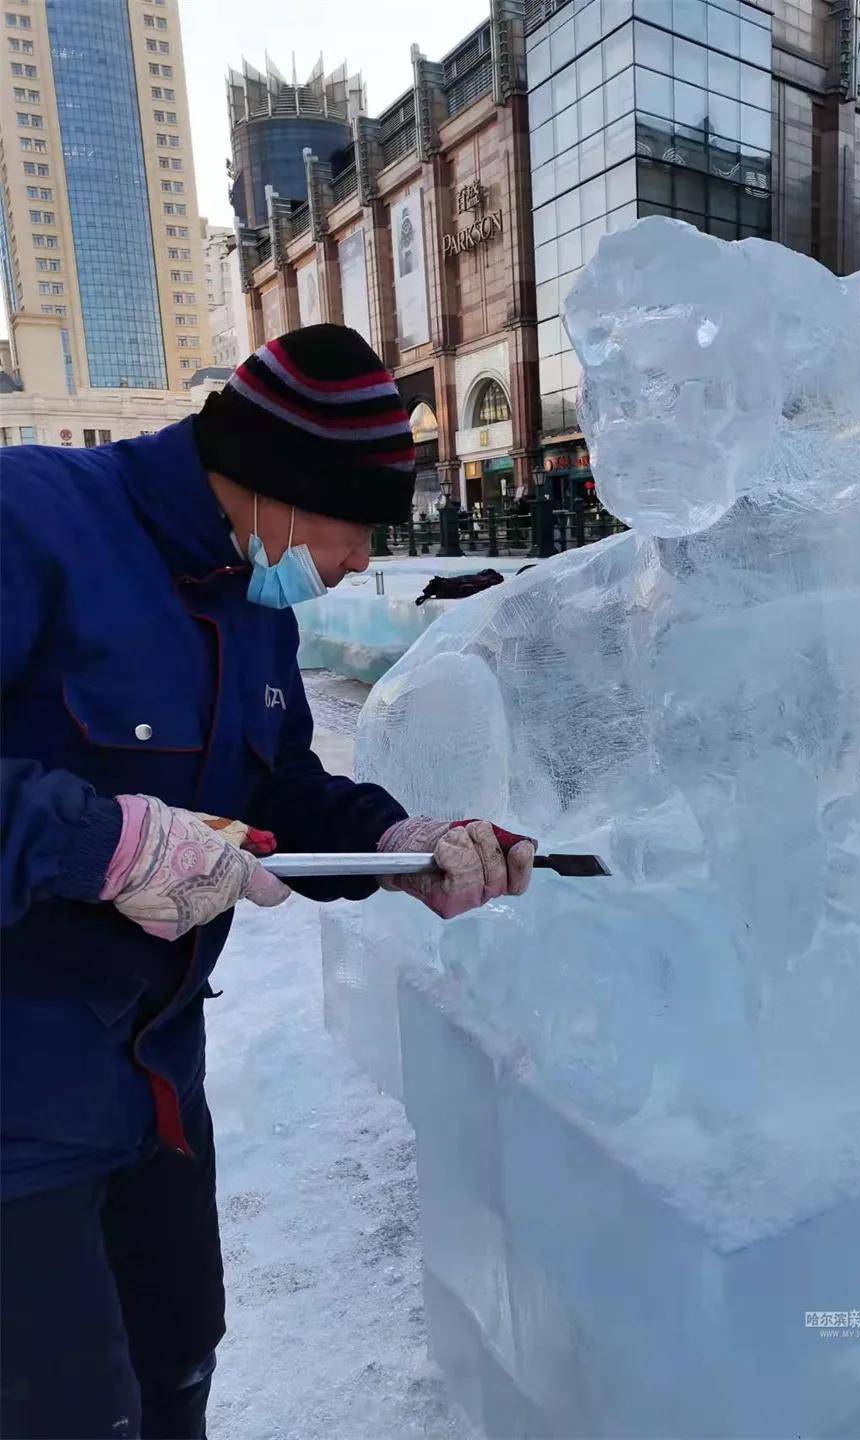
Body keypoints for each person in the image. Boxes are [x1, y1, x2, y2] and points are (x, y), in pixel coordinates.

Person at [0, 324, 535, 1439]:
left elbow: (279, 783)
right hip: (15, 1104)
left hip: (152, 1087)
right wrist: (97, 842)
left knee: (178, 1363)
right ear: (280, 486)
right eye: (354, 528)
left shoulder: (254, 599)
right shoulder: (30, 522)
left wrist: (401, 843)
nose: (351, 564)